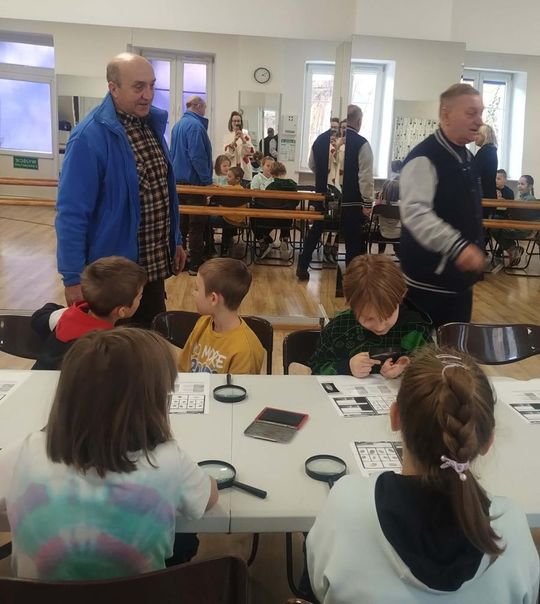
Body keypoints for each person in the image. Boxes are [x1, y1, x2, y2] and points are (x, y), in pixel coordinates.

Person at [307, 346, 540, 604]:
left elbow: (319, 586)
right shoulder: (512, 528)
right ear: (487, 441)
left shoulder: (345, 504)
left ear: (395, 417)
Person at [0, 328, 218, 580]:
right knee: (183, 541)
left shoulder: (24, 453)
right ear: (153, 402)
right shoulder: (169, 460)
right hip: (141, 596)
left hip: (34, 597)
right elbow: (208, 497)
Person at [56, 53, 185, 328]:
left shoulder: (151, 126)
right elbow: (71, 214)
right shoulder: (88, 137)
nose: (148, 95)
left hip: (151, 272)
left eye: (151, 85)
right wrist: (73, 279)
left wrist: (175, 240)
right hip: (113, 281)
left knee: (149, 344)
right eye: (138, 87)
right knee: (115, 350)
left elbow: (162, 192)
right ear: (113, 88)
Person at [399, 83, 485, 328]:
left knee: (455, 348)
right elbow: (415, 213)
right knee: (424, 350)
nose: (479, 121)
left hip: (459, 284)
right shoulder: (424, 158)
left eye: (480, 113)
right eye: (471, 113)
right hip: (428, 287)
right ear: (445, 115)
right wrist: (459, 247)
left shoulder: (466, 157)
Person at [309, 255, 432, 377]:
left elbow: (432, 370)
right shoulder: (339, 327)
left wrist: (407, 367)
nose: (380, 327)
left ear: (401, 297)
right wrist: (347, 366)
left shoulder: (416, 329)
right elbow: (316, 367)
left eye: (388, 315)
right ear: (352, 305)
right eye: (369, 319)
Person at [297, 105, 374, 280]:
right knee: (352, 242)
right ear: (359, 121)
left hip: (323, 196)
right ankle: (351, 279)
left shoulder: (320, 140)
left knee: (315, 232)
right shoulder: (361, 143)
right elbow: (365, 177)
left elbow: (312, 165)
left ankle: (302, 266)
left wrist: (324, 178)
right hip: (351, 201)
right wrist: (368, 203)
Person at [31, 256, 146, 370]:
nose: (141, 298)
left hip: (36, 379)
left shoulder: (65, 316)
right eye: (139, 296)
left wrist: (63, 310)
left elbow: (38, 318)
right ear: (122, 311)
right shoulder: (106, 347)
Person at [178, 258, 264, 374]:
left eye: (197, 289)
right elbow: (183, 370)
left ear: (213, 299)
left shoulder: (244, 350)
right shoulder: (202, 323)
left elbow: (237, 386)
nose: (193, 293)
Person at [171, 95, 213, 275]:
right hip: (193, 184)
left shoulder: (177, 126)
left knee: (181, 225)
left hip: (178, 183)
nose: (205, 111)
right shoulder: (195, 126)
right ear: (198, 106)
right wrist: (207, 182)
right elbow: (197, 157)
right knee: (196, 225)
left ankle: (180, 262)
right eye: (204, 107)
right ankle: (195, 264)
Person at [253, 162, 298, 261]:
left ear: (272, 174)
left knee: (255, 219)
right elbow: (296, 203)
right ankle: (285, 240)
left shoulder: (271, 187)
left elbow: (264, 204)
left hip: (270, 220)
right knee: (286, 213)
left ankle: (265, 241)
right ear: (285, 172)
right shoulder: (293, 186)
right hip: (287, 221)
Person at [491, 174, 539, 266]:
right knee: (495, 220)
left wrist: (505, 203)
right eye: (518, 183)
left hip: (522, 229)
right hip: (517, 225)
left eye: (522, 184)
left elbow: (521, 215)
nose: (519, 186)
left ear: (530, 187)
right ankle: (512, 249)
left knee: (494, 227)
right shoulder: (522, 197)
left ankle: (512, 249)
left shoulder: (530, 199)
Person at [210, 166, 247, 257]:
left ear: (237, 179)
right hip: (239, 220)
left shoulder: (225, 189)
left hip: (226, 218)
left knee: (204, 219)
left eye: (229, 176)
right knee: (227, 221)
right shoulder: (243, 190)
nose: (227, 178)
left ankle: (210, 246)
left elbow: (216, 193)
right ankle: (225, 248)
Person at [473, 124, 498, 219]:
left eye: (477, 134)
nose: (475, 137)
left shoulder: (485, 151)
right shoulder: (491, 150)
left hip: (484, 194)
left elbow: (475, 173)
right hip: (489, 193)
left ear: (485, 136)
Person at [223, 111, 255, 184]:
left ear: (241, 123)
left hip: (245, 171)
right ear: (231, 122)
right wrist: (234, 141)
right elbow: (227, 155)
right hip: (232, 171)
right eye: (234, 121)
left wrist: (243, 139)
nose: (236, 123)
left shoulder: (246, 136)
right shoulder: (227, 137)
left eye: (238, 121)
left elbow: (251, 152)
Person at [374, 178, 401, 257]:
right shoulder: (403, 206)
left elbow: (375, 219)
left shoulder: (379, 206)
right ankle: (399, 254)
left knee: (379, 229)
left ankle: (380, 253)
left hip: (383, 234)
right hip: (399, 235)